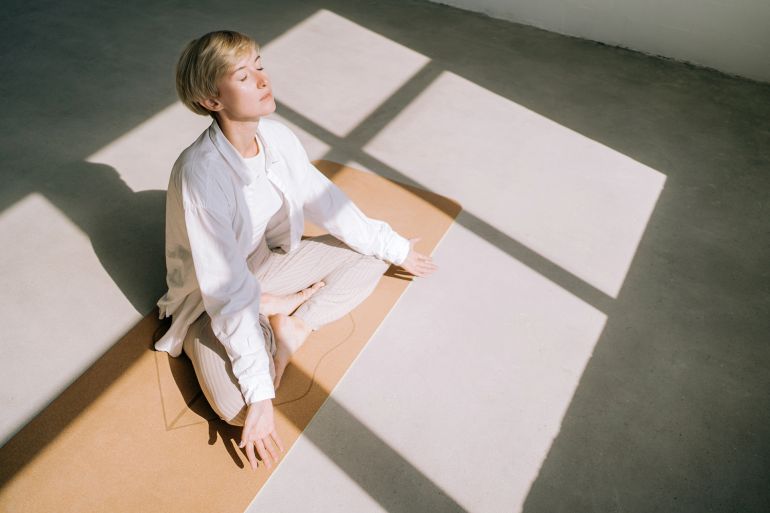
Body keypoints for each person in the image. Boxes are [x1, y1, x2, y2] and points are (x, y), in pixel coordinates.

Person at [153, 30, 437, 472]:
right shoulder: (200, 175)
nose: (263, 80)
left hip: (268, 265)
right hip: (209, 304)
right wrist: (261, 396)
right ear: (212, 100)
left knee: (372, 259)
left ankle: (290, 328)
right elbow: (226, 294)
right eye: (243, 76)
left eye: (260, 66)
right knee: (241, 409)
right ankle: (271, 312)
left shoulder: (278, 137)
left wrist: (395, 247)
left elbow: (328, 201)